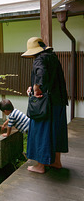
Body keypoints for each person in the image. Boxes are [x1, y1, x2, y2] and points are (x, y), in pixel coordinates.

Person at [21, 37, 68, 174]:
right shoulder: (52, 57)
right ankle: (56, 162)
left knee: (41, 132)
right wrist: (34, 85)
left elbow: (40, 74)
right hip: (58, 102)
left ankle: (40, 166)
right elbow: (49, 78)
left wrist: (36, 88)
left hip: (45, 105)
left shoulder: (39, 59)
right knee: (56, 132)